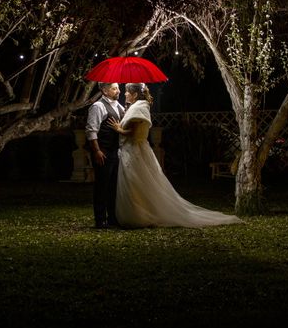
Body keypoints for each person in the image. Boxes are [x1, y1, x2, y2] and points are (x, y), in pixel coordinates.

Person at [109, 83, 242, 228]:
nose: (125, 94)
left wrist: (118, 129)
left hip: (134, 151)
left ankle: (139, 215)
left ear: (134, 94)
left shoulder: (138, 108)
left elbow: (134, 133)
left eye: (127, 92)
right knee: (137, 183)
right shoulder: (137, 107)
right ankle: (140, 212)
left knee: (136, 182)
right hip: (134, 150)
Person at [85, 82, 125, 229]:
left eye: (118, 88)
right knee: (102, 186)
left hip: (116, 152)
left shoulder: (119, 106)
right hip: (103, 152)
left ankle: (112, 218)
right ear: (104, 90)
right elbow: (91, 130)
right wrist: (96, 151)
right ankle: (100, 220)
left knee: (113, 187)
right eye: (114, 88)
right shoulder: (98, 106)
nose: (118, 91)